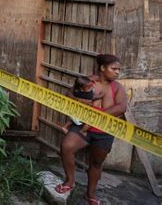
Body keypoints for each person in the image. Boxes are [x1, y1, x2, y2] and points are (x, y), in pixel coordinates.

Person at [55, 54, 128, 205]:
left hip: (104, 131)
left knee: (96, 163)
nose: (117, 72)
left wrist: (95, 115)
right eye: (114, 69)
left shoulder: (118, 87)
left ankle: (90, 194)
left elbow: (121, 107)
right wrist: (81, 100)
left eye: (118, 70)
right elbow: (69, 93)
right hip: (84, 128)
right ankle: (69, 182)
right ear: (102, 68)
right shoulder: (88, 82)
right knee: (66, 147)